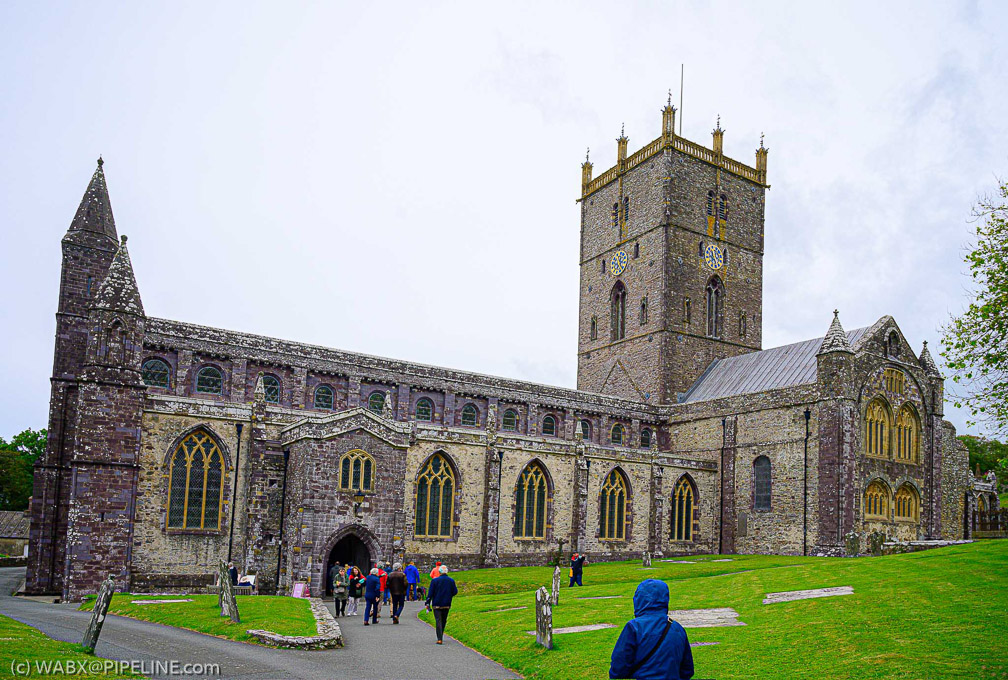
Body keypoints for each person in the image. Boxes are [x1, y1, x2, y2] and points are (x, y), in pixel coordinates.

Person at [609, 579, 693, 680]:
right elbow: (687, 670)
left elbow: (618, 668)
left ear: (638, 599)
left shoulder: (634, 627)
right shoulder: (677, 628)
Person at [424, 564, 458, 645]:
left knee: (438, 620)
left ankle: (439, 638)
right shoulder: (451, 580)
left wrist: (428, 602)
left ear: (439, 572)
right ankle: (441, 634)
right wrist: (449, 595)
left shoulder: (435, 581)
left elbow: (430, 593)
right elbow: (455, 591)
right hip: (446, 603)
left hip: (437, 603)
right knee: (443, 620)